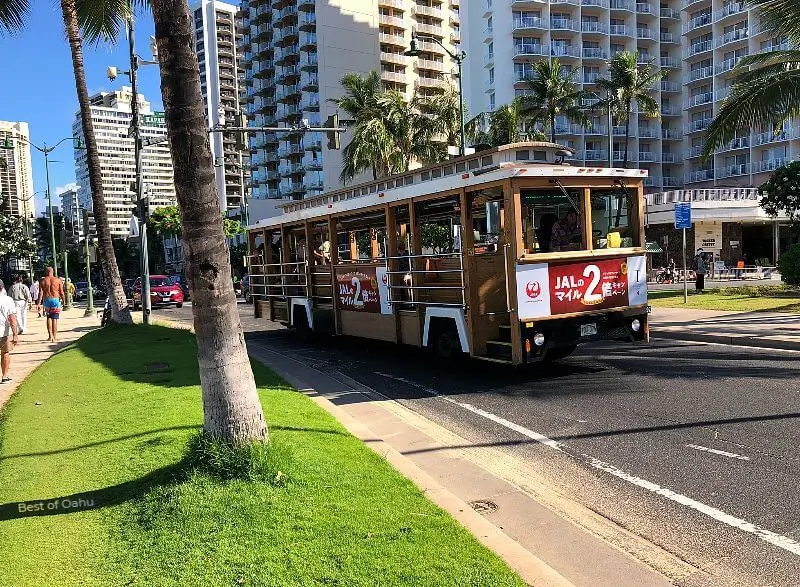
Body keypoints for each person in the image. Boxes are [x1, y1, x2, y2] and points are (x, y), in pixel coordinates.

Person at [37, 267, 66, 344]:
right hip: (55, 299)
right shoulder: (58, 280)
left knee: (48, 317)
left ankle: (50, 336)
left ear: (46, 272)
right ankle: (54, 337)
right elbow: (61, 292)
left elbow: (40, 293)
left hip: (46, 299)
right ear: (52, 271)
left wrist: (38, 303)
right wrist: (64, 301)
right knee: (55, 318)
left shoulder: (42, 280)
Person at [0, 279, 20, 384]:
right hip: (3, 331)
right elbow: (12, 318)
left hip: (3, 331)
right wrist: (15, 334)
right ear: (2, 287)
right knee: (5, 353)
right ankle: (4, 376)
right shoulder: (7, 300)